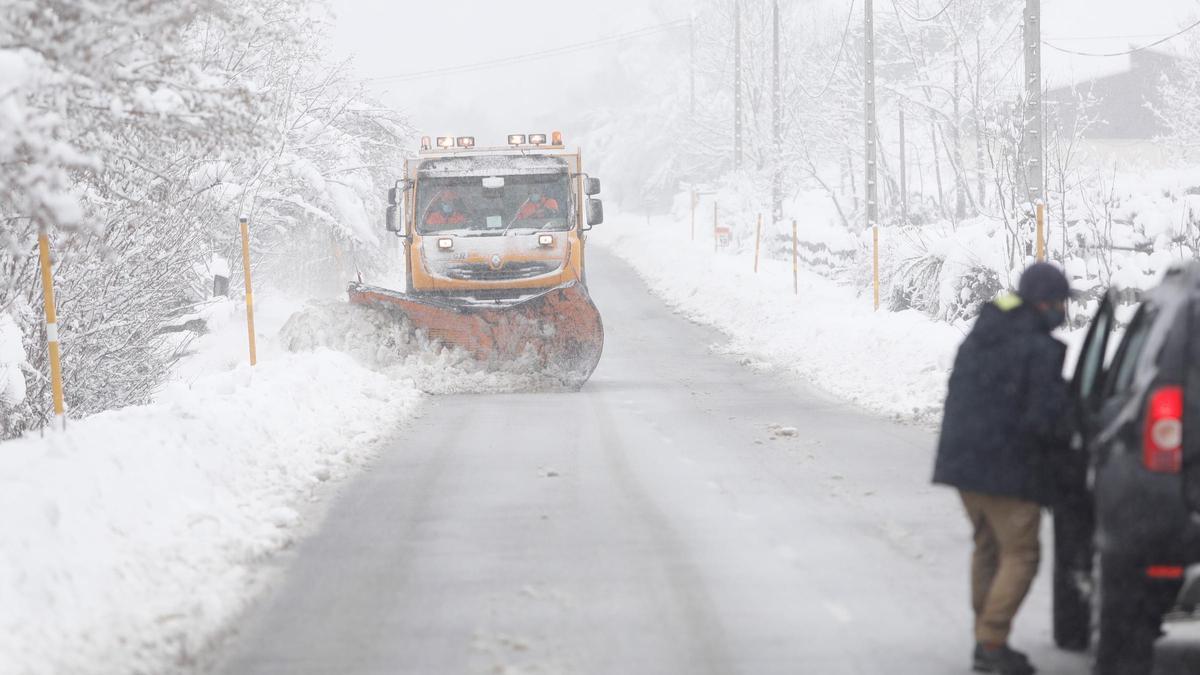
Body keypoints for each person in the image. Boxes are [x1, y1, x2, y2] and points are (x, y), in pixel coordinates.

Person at [933, 262, 1073, 675]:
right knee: (1022, 553)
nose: (1063, 310)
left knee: (988, 547)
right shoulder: (1036, 349)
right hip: (1005, 466)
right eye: (1061, 302)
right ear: (1044, 302)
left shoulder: (983, 335)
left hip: (964, 463)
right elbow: (1044, 419)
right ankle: (992, 642)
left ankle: (986, 638)